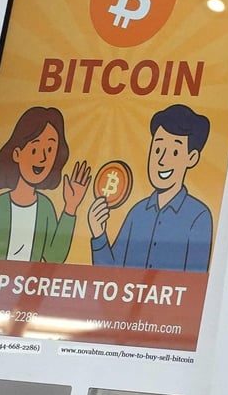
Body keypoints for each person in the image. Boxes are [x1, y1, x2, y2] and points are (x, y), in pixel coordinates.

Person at [89, 103, 212, 271]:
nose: (161, 160)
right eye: (158, 149)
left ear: (192, 158)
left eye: (174, 152)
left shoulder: (198, 217)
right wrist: (99, 234)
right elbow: (110, 276)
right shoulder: (137, 213)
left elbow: (195, 280)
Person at [0, 106, 90, 262]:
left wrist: (71, 207)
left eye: (50, 150)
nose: (43, 158)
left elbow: (54, 257)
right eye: (35, 149)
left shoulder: (45, 207)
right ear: (17, 153)